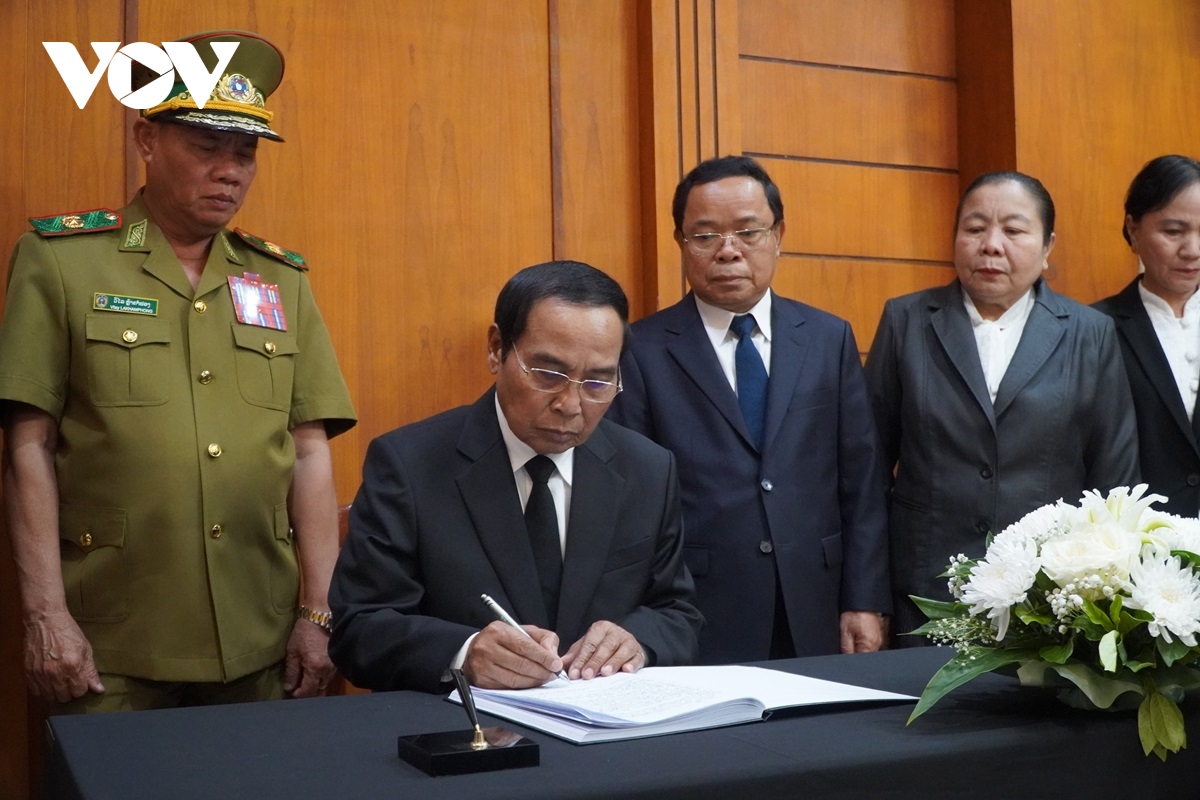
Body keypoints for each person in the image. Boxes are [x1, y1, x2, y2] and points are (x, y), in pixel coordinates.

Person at [0, 30, 356, 711]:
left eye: (245, 153)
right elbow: (27, 447)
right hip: (110, 641)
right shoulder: (63, 261)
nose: (230, 171)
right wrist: (45, 615)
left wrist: (319, 613)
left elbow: (309, 452)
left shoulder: (280, 279)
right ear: (147, 140)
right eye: (206, 147)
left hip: (260, 639)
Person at [328, 261, 701, 692]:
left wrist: (637, 641)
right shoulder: (409, 465)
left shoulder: (648, 469)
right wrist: (464, 653)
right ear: (496, 349)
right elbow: (359, 627)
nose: (570, 404)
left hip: (602, 722)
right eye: (548, 374)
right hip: (465, 724)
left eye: (598, 382)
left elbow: (677, 612)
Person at [606, 155, 890, 664]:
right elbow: (630, 501)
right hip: (698, 608)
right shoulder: (640, 350)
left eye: (748, 232)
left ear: (778, 234)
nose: (728, 250)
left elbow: (863, 481)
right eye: (705, 235)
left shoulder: (828, 338)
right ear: (680, 242)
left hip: (816, 601)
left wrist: (865, 599)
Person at [865, 170, 1140, 639]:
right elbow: (867, 470)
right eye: (975, 228)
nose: (991, 245)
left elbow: (1114, 479)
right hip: (924, 589)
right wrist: (867, 596)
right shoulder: (906, 320)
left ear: (1047, 246)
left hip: (1049, 595)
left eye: (1013, 230)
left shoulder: (1089, 333)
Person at [1094, 155, 1200, 516]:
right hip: (1136, 538)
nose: (1192, 250)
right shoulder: (1094, 328)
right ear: (1134, 229)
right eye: (1173, 232)